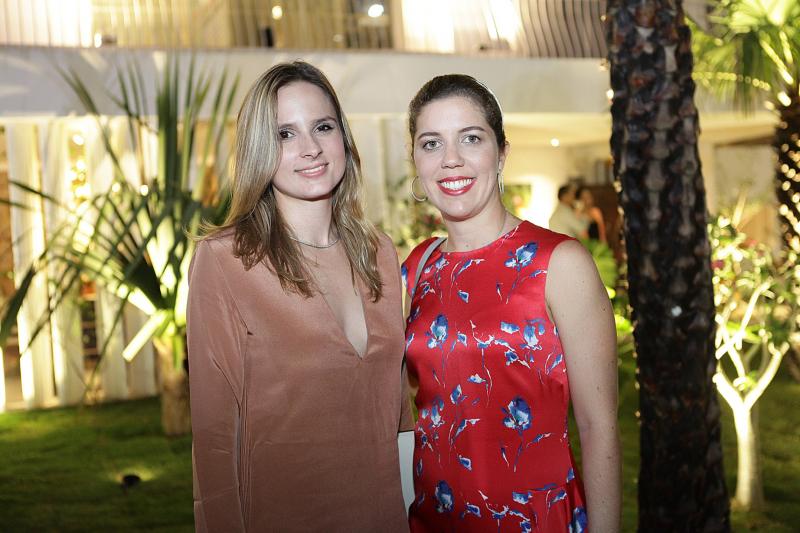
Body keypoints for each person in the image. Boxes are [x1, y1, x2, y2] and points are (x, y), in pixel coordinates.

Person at [187, 61, 412, 532]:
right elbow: (214, 439)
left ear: (343, 137)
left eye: (322, 127)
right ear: (259, 150)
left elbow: (399, 413)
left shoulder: (378, 253)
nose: (310, 148)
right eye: (284, 134)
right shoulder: (226, 260)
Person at [402, 74, 621, 532]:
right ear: (416, 161)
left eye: (471, 138)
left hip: (537, 520)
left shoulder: (559, 263)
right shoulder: (417, 267)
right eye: (431, 143)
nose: (451, 159)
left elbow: (598, 427)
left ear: (502, 153)